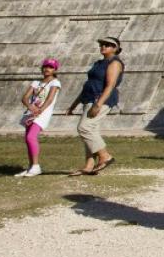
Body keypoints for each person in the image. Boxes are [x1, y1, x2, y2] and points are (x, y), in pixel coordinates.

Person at [66, 36, 125, 176]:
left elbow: (110, 86)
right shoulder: (98, 63)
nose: (104, 46)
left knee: (84, 128)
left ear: (116, 49)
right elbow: (89, 84)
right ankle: (89, 165)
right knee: (91, 132)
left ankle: (105, 156)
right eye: (102, 44)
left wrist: (98, 104)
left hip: (101, 99)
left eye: (108, 45)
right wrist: (74, 105)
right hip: (89, 97)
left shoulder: (115, 63)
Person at [13, 58, 63, 177]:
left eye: (50, 67)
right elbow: (25, 98)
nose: (47, 69)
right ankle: (31, 167)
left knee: (31, 137)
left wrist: (40, 110)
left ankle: (36, 166)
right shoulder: (36, 83)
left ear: (55, 70)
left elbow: (50, 99)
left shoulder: (55, 83)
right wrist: (31, 107)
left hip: (42, 114)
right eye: (45, 66)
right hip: (30, 113)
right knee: (27, 139)